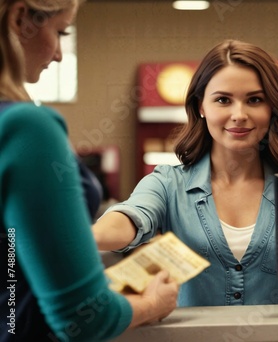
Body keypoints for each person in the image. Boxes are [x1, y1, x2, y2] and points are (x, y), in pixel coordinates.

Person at [93, 39, 278, 306]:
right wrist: (83, 238)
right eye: (223, 100)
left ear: (272, 107)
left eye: (254, 100)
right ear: (201, 106)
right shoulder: (168, 184)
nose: (239, 114)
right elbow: (131, 216)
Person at [0, 1, 178, 341]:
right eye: (60, 32)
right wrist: (152, 303)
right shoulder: (26, 128)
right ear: (21, 18)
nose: (59, 56)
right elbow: (84, 319)